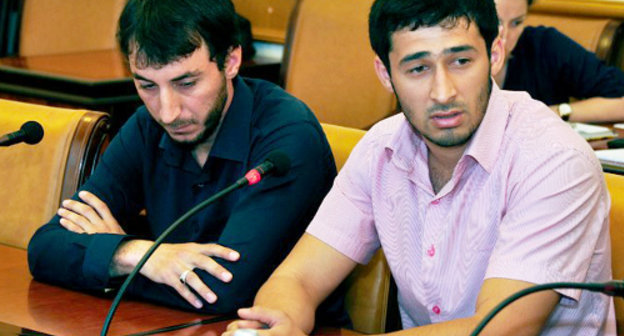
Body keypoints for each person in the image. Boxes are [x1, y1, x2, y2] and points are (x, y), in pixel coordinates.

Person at [224, 0, 615, 335]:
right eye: (417, 69)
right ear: (385, 74)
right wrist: (281, 320)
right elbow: (298, 278)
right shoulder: (381, 148)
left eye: (461, 61)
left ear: (495, 54)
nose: (443, 92)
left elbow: (501, 328)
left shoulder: (554, 158)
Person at [27, 0, 339, 316]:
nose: (167, 111)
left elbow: (221, 290)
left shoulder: (287, 138)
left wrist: (110, 259)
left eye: (186, 83)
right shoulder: (147, 127)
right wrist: (138, 254)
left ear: (231, 61)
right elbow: (45, 249)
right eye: (147, 85)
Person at [494, 0, 624, 123]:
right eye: (495, 22)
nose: (504, 37)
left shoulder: (544, 46)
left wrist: (555, 113)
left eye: (516, 23)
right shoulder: (474, 64)